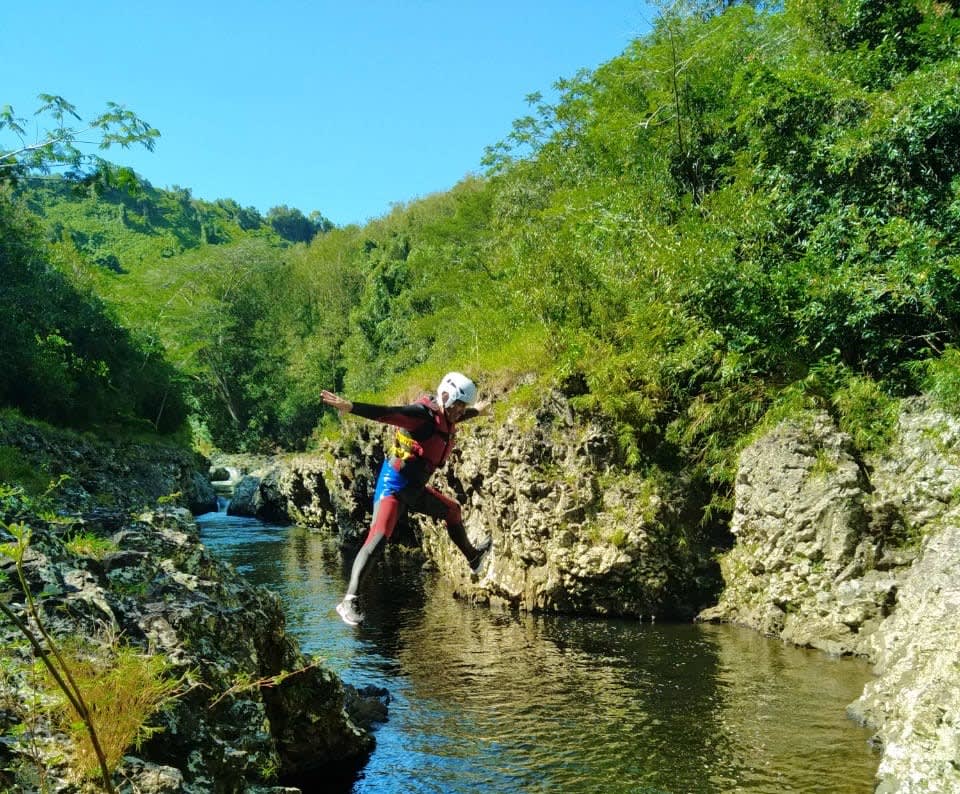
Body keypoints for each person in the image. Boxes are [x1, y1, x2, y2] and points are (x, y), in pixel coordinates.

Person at [321, 372, 493, 626]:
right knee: (378, 538)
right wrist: (351, 407)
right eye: (458, 406)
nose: (460, 412)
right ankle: (349, 599)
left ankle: (473, 558)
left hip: (414, 489)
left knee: (452, 511)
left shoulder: (448, 415)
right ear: (446, 397)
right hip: (394, 486)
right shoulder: (421, 416)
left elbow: (457, 417)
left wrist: (476, 411)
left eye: (463, 408)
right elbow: (388, 413)